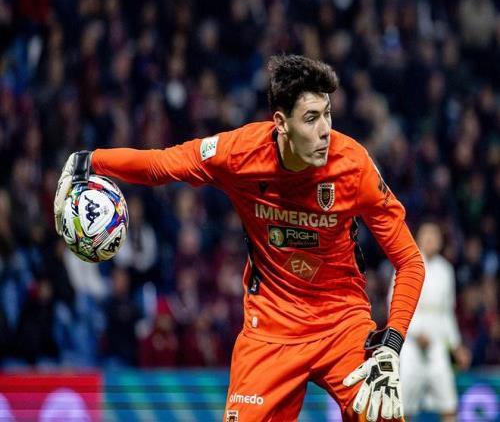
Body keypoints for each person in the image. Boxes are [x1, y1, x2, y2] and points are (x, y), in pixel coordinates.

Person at [54, 55, 425, 421]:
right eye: (311, 118)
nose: (325, 130)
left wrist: (391, 343)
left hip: (341, 323)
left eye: (327, 114)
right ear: (281, 122)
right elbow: (161, 164)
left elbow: (410, 261)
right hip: (271, 328)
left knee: (382, 415)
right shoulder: (239, 153)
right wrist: (89, 161)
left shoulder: (354, 165)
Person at [393, 222, 470, 422]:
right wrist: (416, 332)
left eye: (434, 235)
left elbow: (448, 312)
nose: (430, 239)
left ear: (440, 241)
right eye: (426, 234)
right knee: (404, 407)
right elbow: (394, 305)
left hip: (437, 344)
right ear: (418, 238)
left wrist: (456, 345)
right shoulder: (406, 264)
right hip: (411, 344)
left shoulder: (446, 270)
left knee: (449, 404)